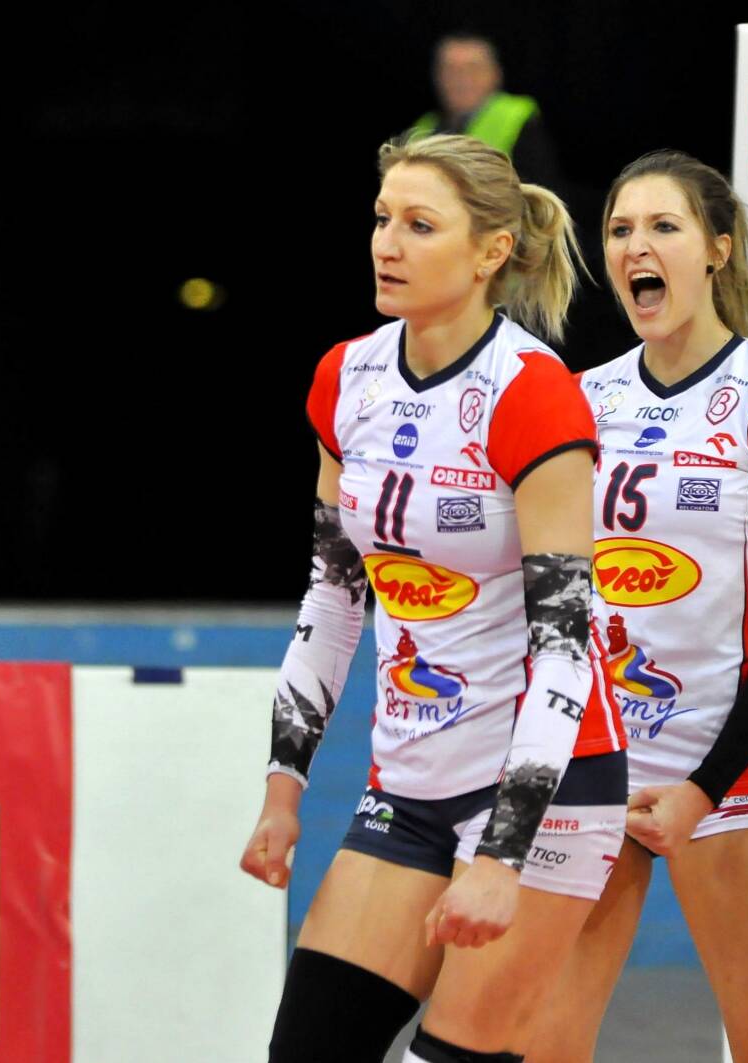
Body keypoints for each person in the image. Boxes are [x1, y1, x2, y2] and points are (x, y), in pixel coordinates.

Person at [239, 133, 627, 1063]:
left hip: (545, 789)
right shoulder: (347, 378)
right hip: (410, 786)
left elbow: (567, 645)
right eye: (382, 219)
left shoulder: (531, 392)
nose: (388, 244)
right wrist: (284, 788)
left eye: (420, 225)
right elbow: (335, 599)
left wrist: (500, 855)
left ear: (492, 251)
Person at [530, 150, 748, 1063]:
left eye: (663, 226)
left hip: (726, 769)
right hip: (593, 762)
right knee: (535, 1046)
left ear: (717, 248)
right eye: (620, 229)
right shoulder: (580, 400)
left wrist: (702, 789)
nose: (637, 245)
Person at [408, 34, 563, 191]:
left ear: (496, 74)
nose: (461, 78)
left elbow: (542, 192)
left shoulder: (519, 118)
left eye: (473, 68)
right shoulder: (422, 129)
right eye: (449, 69)